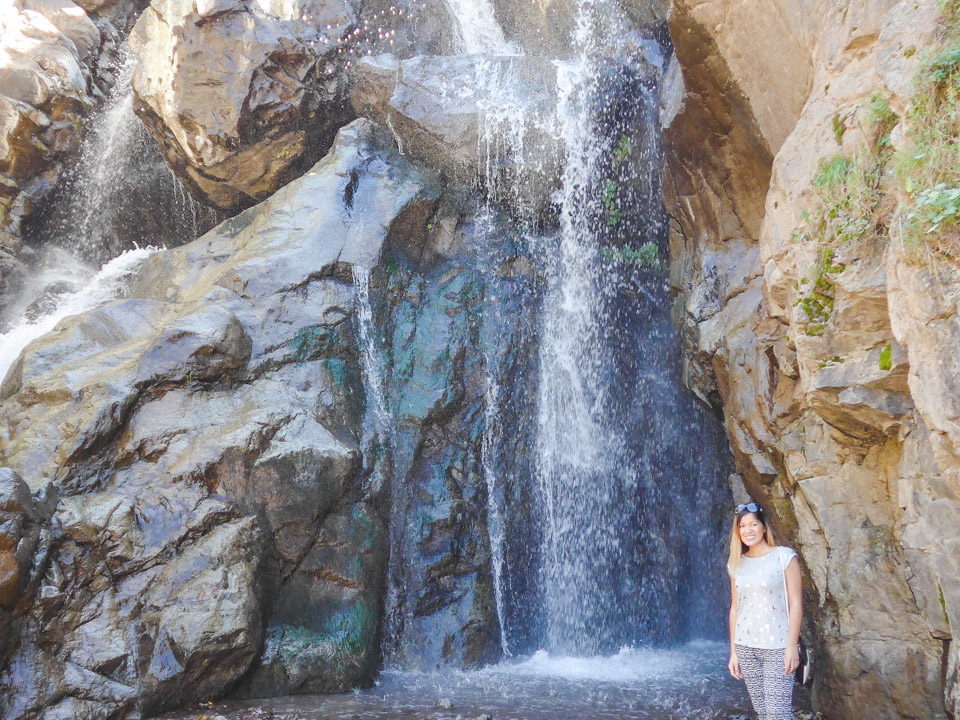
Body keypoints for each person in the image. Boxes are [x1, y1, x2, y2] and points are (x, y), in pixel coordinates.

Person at [726, 501, 802, 720]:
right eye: (742, 526)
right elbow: (735, 609)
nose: (748, 530)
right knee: (762, 712)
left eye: (753, 525)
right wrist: (733, 652)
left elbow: (795, 603)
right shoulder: (735, 563)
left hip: (777, 646)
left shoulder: (784, 556)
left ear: (764, 527)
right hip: (746, 647)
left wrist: (791, 646)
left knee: (778, 714)